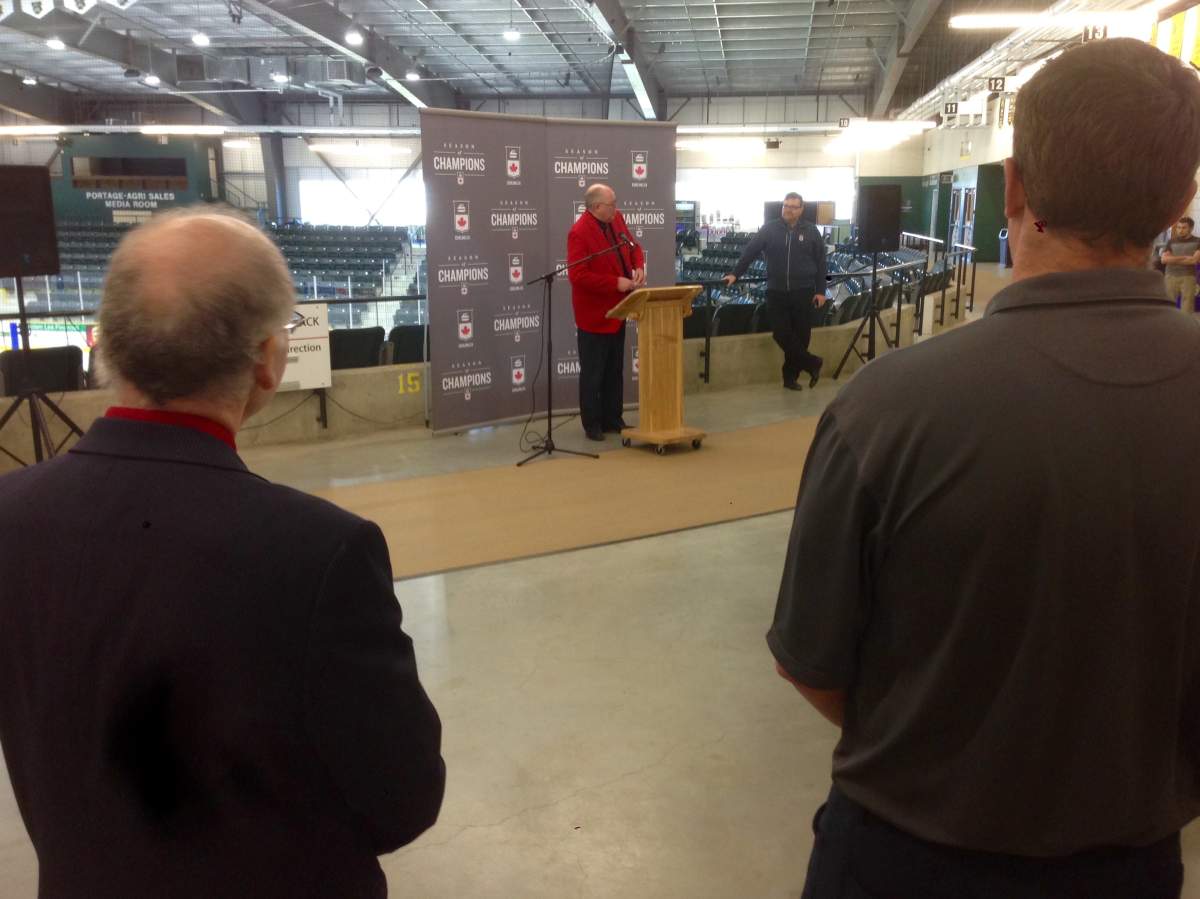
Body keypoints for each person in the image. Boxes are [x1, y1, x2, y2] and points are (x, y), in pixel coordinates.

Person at [768, 38, 1200, 899]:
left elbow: (811, 661)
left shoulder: (885, 408)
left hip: (904, 854)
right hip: (1131, 863)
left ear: (1015, 187)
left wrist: (951, 757)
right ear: (1180, 197)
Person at [0, 208, 445, 899]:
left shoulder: (11, 516)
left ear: (106, 346)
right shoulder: (321, 552)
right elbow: (403, 797)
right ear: (268, 361)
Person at [723, 192, 827, 391]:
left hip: (803, 291)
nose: (788, 209)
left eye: (793, 206)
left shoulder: (812, 231)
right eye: (786, 206)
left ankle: (790, 378)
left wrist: (821, 290)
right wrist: (735, 274)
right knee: (781, 334)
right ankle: (812, 363)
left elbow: (821, 263)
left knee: (802, 337)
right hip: (776, 291)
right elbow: (750, 252)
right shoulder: (769, 229)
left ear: (801, 209)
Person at [567, 183, 645, 441]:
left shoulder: (617, 218)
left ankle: (614, 417)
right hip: (595, 314)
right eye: (612, 204)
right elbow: (578, 276)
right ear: (597, 207)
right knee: (593, 372)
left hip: (619, 310)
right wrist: (614, 283)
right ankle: (592, 423)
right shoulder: (579, 232)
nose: (617, 208)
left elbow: (633, 246)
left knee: (615, 369)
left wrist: (638, 266)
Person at [1159, 216, 1200, 313]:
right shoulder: (1171, 241)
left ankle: (1185, 327)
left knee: (1187, 307)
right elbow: (1164, 260)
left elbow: (1193, 261)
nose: (1180, 230)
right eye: (1179, 227)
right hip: (1170, 276)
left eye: (1184, 228)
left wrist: (1172, 259)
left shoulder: (1198, 241)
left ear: (1190, 228)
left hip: (1188, 277)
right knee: (1168, 306)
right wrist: (1184, 257)